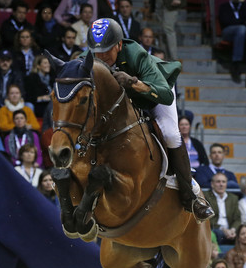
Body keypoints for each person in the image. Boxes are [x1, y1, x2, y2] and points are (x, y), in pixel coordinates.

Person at [85, 17, 213, 220]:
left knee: (170, 134)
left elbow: (165, 94)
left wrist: (134, 82)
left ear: (119, 45)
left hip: (153, 91)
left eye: (107, 50)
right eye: (96, 51)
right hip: (123, 103)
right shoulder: (90, 57)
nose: (100, 56)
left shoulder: (135, 53)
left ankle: (192, 196)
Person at [219, 0, 246, 83]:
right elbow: (225, 21)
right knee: (241, 29)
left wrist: (243, 3)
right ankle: (236, 62)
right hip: (228, 31)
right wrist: (241, 22)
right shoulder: (224, 6)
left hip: (244, 31)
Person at [204, 172, 241, 244]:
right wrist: (223, 229)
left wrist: (233, 230)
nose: (221, 184)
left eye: (223, 182)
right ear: (212, 184)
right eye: (218, 182)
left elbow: (237, 218)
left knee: (244, 234)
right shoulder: (206, 197)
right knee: (219, 234)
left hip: (230, 230)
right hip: (214, 229)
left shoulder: (233, 198)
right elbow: (207, 218)